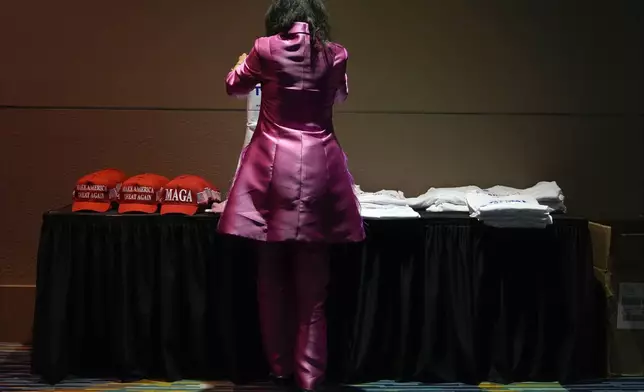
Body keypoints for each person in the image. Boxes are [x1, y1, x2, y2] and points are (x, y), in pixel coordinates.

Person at [217, 0, 365, 390]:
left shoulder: (265, 48)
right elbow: (340, 95)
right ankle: (310, 377)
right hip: (320, 167)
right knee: (314, 287)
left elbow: (234, 86)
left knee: (270, 276)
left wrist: (239, 64)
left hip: (270, 170)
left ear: (278, 17)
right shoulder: (336, 55)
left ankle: (279, 368)